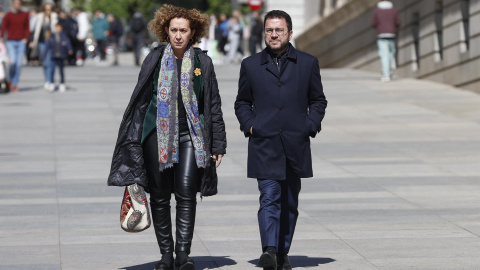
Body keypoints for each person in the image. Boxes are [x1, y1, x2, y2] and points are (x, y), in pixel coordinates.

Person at [107, 4, 226, 270]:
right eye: (174, 30)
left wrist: (218, 144)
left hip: (191, 137)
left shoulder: (202, 62)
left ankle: (183, 255)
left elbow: (213, 105)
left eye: (183, 30)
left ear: (193, 32)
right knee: (159, 196)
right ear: (166, 31)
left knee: (186, 193)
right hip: (155, 136)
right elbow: (140, 100)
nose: (178, 35)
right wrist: (133, 139)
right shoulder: (154, 59)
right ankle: (165, 256)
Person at [234, 10, 327, 270]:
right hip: (264, 143)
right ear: (264, 32)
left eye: (278, 30)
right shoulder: (251, 65)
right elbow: (242, 102)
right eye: (269, 30)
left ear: (289, 33)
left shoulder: (307, 63)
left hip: (295, 144)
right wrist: (250, 125)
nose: (273, 35)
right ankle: (269, 250)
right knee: (269, 197)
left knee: (289, 202)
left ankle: (283, 251)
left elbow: (318, 100)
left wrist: (309, 126)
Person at [0, 0, 30, 92]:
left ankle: (15, 84)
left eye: (19, 3)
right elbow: (4, 26)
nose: (17, 5)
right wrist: (1, 36)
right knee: (12, 62)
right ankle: (9, 80)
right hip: (11, 41)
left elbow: (27, 27)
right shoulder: (8, 15)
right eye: (16, 3)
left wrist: (26, 38)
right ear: (13, 4)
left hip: (21, 41)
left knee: (19, 64)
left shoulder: (24, 14)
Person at [30, 2, 58, 91]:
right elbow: (35, 30)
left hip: (51, 43)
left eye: (49, 9)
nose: (47, 11)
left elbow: (57, 29)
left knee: (50, 62)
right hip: (42, 42)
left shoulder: (54, 17)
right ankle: (47, 80)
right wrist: (33, 41)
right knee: (45, 62)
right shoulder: (39, 17)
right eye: (46, 9)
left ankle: (49, 81)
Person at [371, 0, 400, 82]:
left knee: (384, 55)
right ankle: (389, 72)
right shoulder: (394, 11)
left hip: (382, 35)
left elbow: (373, 23)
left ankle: (386, 74)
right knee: (391, 54)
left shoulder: (377, 11)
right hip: (392, 34)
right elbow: (398, 22)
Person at [44, 23, 72, 93]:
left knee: (61, 71)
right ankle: (52, 83)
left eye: (59, 28)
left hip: (61, 56)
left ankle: (62, 83)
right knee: (52, 71)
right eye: (56, 28)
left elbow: (68, 43)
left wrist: (70, 49)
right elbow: (47, 47)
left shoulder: (63, 36)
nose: (58, 29)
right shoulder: (52, 37)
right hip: (53, 56)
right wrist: (44, 56)